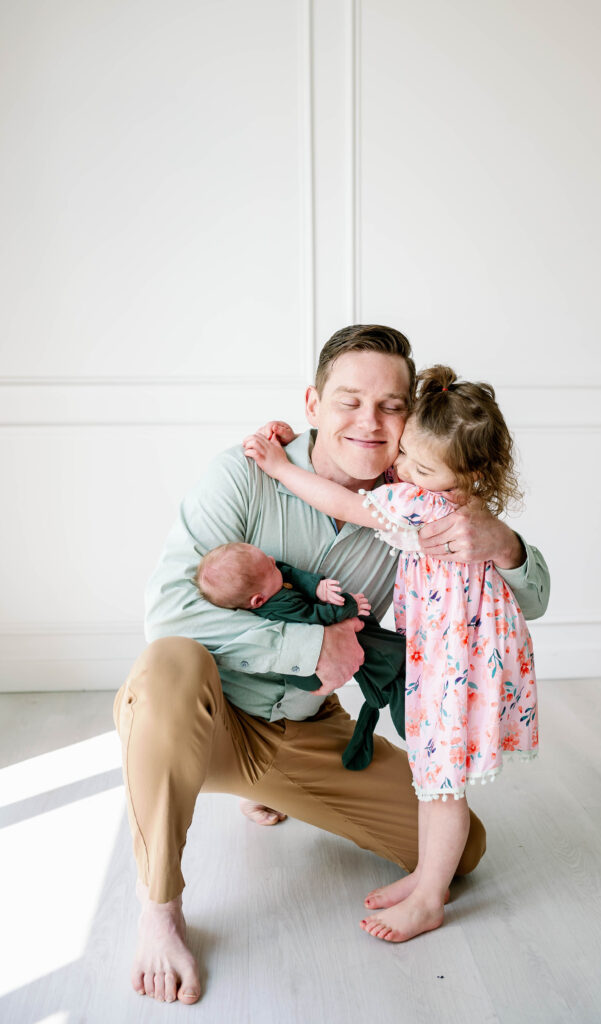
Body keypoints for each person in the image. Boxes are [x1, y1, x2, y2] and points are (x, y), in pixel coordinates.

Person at [114, 325, 550, 1004]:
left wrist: (504, 542)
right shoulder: (244, 473)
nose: (368, 422)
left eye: (390, 405)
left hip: (303, 728)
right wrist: (310, 646)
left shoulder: (417, 499)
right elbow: (169, 613)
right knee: (168, 663)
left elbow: (534, 598)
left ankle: (269, 787)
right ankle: (159, 910)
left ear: (413, 415)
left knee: (457, 855)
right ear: (313, 403)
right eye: (349, 401)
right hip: (210, 714)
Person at [244, 363, 539, 944]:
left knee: (441, 781)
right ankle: (429, 876)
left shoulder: (425, 506)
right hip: (467, 659)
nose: (399, 470)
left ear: (461, 477)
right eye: (404, 456)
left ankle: (430, 897)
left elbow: (346, 503)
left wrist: (280, 466)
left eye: (418, 466)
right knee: (434, 779)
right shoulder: (462, 498)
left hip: (454, 666)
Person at [194, 542, 408, 769]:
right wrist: (349, 607)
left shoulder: (268, 582)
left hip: (329, 652)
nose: (273, 560)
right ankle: (415, 733)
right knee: (389, 671)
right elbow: (314, 615)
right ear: (258, 600)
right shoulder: (280, 607)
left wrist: (317, 587)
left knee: (382, 660)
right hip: (309, 676)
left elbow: (288, 572)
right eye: (270, 567)